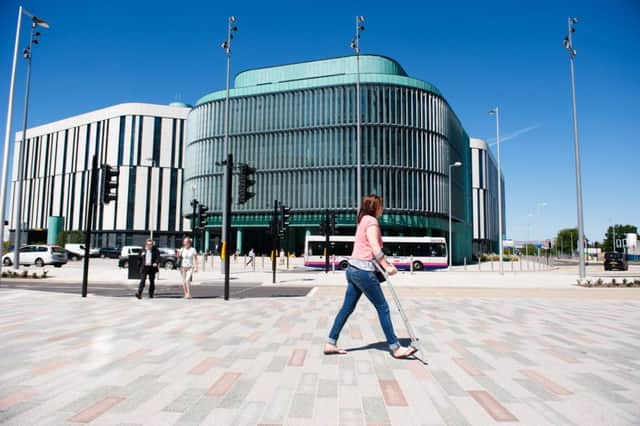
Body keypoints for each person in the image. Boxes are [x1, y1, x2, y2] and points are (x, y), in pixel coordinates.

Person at [325, 194, 417, 359]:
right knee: (383, 308)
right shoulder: (372, 221)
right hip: (364, 272)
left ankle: (330, 342)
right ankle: (395, 347)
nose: (383, 208)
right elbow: (374, 247)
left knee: (346, 308)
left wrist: (385, 262)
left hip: (353, 269)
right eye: (381, 205)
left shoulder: (362, 221)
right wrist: (387, 266)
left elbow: (368, 248)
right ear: (376, 207)